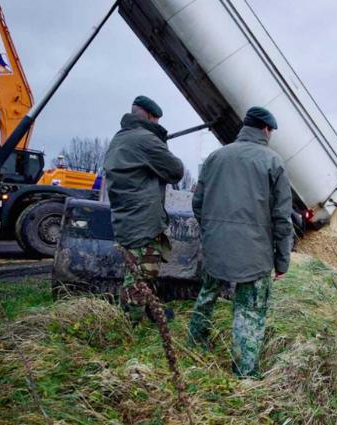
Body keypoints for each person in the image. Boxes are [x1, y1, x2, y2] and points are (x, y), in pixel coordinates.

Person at [188, 106, 293, 378]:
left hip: (216, 247)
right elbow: (282, 219)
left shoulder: (215, 157)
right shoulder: (273, 162)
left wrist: (212, 232)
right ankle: (244, 372)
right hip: (255, 255)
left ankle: (194, 344)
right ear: (266, 130)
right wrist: (282, 261)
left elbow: (197, 203)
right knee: (249, 311)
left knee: (207, 295)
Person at [103, 95, 185, 323]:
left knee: (142, 270)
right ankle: (130, 326)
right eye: (157, 121)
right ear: (150, 117)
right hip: (143, 222)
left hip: (126, 218)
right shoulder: (145, 139)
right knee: (139, 277)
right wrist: (159, 140)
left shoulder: (119, 138)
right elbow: (176, 170)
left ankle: (151, 310)